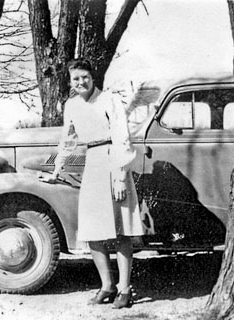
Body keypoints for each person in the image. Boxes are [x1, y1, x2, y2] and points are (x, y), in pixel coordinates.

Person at [40, 58, 144, 308]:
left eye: (85, 77)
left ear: (92, 77)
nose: (81, 82)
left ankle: (124, 289)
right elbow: (67, 140)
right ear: (70, 81)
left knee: (121, 231)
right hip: (92, 165)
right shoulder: (71, 105)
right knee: (94, 230)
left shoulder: (109, 99)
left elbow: (122, 137)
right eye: (76, 78)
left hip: (113, 161)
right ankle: (106, 286)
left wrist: (120, 176)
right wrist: (56, 171)